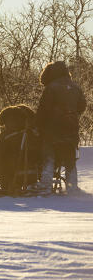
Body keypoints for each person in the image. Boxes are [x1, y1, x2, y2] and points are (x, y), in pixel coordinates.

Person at [35, 61, 87, 194]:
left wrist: (37, 125)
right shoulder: (75, 87)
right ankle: (72, 186)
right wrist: (72, 115)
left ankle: (45, 185)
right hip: (71, 128)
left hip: (52, 129)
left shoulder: (51, 88)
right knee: (70, 158)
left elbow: (43, 109)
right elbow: (82, 106)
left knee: (49, 155)